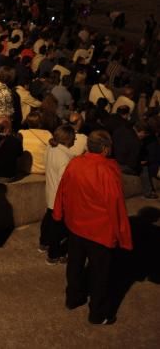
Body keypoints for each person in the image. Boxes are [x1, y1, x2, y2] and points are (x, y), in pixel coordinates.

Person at [53, 130, 133, 325]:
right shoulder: (108, 170)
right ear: (105, 149)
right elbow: (116, 206)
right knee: (100, 274)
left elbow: (62, 190)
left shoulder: (75, 163)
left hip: (75, 226)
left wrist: (58, 214)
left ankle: (73, 298)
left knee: (75, 265)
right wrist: (124, 237)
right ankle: (98, 313)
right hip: (100, 231)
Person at [39, 125, 75, 264]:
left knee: (48, 219)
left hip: (50, 192)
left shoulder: (50, 148)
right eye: (73, 138)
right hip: (58, 197)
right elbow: (65, 182)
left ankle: (44, 243)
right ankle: (53, 255)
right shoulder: (65, 158)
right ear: (68, 139)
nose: (75, 140)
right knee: (57, 227)